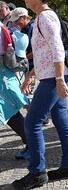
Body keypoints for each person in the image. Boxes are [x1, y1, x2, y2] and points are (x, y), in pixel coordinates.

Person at [11, 0, 68, 189]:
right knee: (60, 120)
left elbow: (57, 50)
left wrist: (59, 80)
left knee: (32, 122)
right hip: (52, 76)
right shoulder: (43, 17)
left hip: (53, 78)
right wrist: (32, 74)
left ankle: (37, 173)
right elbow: (44, 53)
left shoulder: (45, 18)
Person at [0, 21, 30, 160]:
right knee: (11, 112)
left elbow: (7, 57)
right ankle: (31, 143)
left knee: (11, 111)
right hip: (4, 76)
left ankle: (32, 144)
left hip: (3, 77)